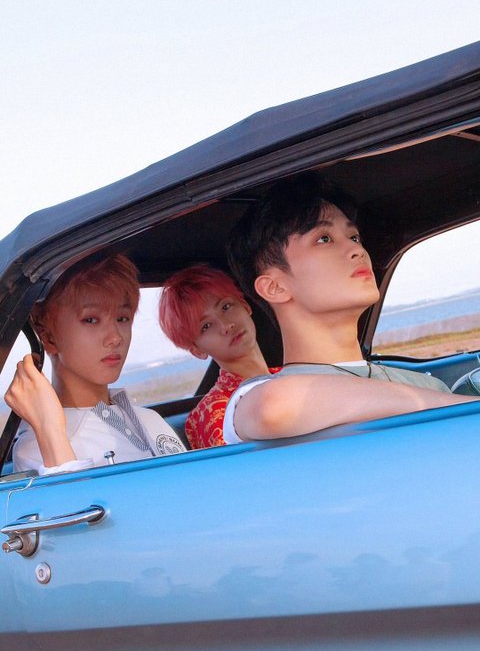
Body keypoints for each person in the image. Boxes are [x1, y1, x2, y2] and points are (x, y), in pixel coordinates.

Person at [222, 172, 477, 442]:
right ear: (275, 287)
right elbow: (272, 408)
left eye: (354, 237)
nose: (358, 251)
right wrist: (462, 407)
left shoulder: (429, 385)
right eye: (324, 239)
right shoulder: (254, 400)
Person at [5, 253, 185, 474]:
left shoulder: (150, 419)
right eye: (91, 320)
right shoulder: (36, 446)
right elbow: (72, 499)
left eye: (122, 318)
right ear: (47, 336)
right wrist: (49, 431)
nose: (115, 337)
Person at [159, 264, 280, 448]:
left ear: (245, 306)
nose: (226, 325)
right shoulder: (215, 411)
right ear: (197, 350)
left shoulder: (291, 375)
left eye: (226, 306)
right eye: (206, 326)